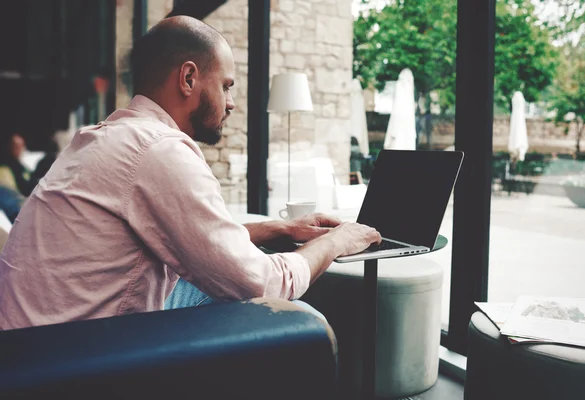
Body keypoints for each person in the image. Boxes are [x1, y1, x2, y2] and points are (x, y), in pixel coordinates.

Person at [0, 16, 381, 330]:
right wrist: (336, 241)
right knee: (302, 321)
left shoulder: (106, 136)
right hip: (70, 357)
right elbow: (262, 282)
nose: (231, 103)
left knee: (213, 282)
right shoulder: (159, 150)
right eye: (227, 86)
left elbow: (185, 239)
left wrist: (277, 229)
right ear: (188, 78)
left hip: (30, 339)